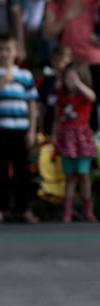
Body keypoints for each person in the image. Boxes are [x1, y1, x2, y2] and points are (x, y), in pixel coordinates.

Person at [0, 33, 40, 225]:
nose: (4, 53)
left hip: (20, 129)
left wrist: (31, 130)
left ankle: (24, 209)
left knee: (22, 171)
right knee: (0, 171)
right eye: (1, 49)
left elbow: (32, 104)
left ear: (16, 52)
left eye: (8, 49)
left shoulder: (25, 75)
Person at [41, 0, 100, 98]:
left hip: (94, 60)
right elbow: (47, 34)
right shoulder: (55, 4)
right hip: (70, 62)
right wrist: (66, 17)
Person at [51, 61, 96, 222]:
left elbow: (92, 96)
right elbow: (57, 119)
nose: (69, 80)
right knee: (70, 176)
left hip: (82, 139)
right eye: (67, 76)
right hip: (66, 139)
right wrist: (54, 136)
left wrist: (78, 83)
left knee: (84, 175)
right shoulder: (61, 98)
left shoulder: (84, 96)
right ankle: (67, 212)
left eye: (73, 77)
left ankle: (87, 211)